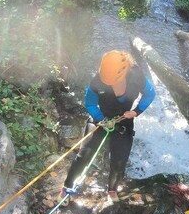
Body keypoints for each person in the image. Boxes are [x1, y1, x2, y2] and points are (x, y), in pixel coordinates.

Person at [60, 50, 156, 203]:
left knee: (119, 161)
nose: (108, 83)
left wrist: (136, 112)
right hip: (100, 118)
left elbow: (150, 94)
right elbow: (90, 103)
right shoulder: (97, 81)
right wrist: (101, 119)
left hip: (123, 121)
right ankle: (67, 187)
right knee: (84, 155)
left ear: (124, 72)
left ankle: (112, 189)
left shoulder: (136, 76)